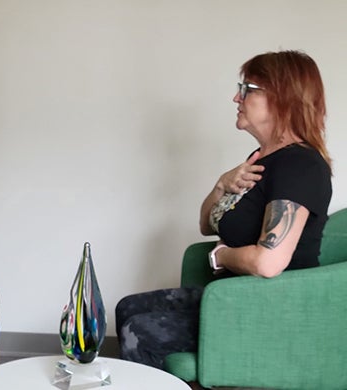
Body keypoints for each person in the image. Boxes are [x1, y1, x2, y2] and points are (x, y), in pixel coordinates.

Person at [115, 50, 332, 382]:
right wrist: (221, 185)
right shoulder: (260, 159)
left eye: (247, 88)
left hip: (267, 311)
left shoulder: (299, 166)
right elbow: (206, 224)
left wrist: (221, 257)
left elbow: (267, 263)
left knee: (138, 329)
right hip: (231, 298)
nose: (236, 97)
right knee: (127, 307)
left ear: (281, 98)